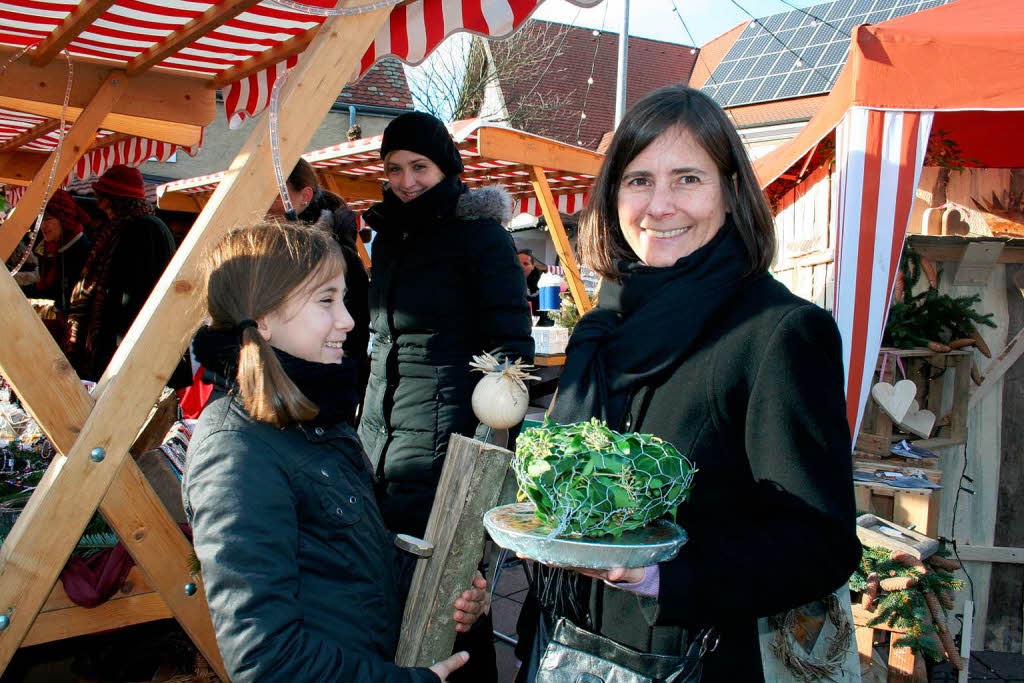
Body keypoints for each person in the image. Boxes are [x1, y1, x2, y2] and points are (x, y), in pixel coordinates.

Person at [515, 85, 861, 681]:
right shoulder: (602, 327)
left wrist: (663, 575)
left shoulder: (777, 333)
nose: (660, 205)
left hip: (688, 658)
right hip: (562, 644)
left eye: (688, 179)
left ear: (730, 190)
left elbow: (821, 543)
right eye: (639, 180)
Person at [184, 221, 487, 682]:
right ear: (262, 319)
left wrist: (441, 587)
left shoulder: (316, 418)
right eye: (326, 300)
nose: (347, 320)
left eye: (342, 299)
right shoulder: (236, 452)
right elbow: (268, 662)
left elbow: (348, 558)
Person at [359, 111, 534, 538]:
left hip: (445, 434)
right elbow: (381, 340)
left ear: (446, 168)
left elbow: (509, 343)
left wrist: (484, 436)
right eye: (394, 169)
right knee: (378, 565)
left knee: (443, 574)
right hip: (377, 432)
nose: (406, 181)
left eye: (419, 167)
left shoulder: (481, 237)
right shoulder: (387, 237)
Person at [269, 158, 370, 426]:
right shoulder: (271, 252)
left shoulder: (337, 257)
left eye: (276, 193)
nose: (266, 202)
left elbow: (353, 337)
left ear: (304, 196)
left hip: (318, 398)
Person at [65, 165, 178, 381]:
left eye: (101, 194)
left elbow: (137, 291)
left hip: (127, 342)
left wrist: (120, 340)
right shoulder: (122, 227)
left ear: (114, 197)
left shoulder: (144, 229)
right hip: (117, 339)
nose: (97, 199)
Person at [33, 190, 92, 312]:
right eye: (40, 219)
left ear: (64, 220)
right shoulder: (50, 249)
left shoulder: (82, 251)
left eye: (48, 219)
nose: (43, 225)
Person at [517, 249, 541, 316]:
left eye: (525, 264)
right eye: (518, 263)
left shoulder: (541, 283)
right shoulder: (506, 283)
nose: (521, 266)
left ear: (533, 266)